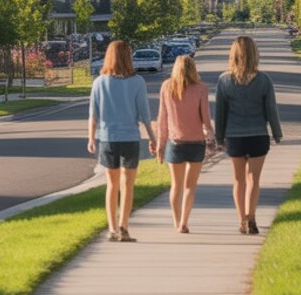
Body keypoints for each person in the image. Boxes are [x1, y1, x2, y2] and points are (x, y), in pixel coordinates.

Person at [88, 40, 155, 242]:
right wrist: (153, 138)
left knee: (112, 184)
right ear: (128, 57)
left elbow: (93, 113)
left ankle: (111, 228)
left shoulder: (99, 82)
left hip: (107, 138)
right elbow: (144, 114)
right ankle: (124, 227)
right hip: (130, 138)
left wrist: (91, 137)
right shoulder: (137, 82)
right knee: (128, 184)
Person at [216, 36, 283, 235]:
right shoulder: (264, 81)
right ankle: (252, 216)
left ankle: (242, 220)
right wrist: (276, 133)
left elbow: (221, 112)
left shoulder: (224, 80)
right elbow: (271, 110)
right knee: (254, 179)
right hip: (258, 135)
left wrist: (219, 137)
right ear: (255, 54)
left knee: (239, 181)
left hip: (234, 137)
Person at [156, 55, 215, 233]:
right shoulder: (201, 89)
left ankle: (176, 221)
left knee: (176, 185)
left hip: (175, 143)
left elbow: (162, 120)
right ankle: (184, 221)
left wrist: (160, 145)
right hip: (196, 143)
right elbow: (206, 119)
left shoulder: (167, 87)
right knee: (190, 186)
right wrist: (211, 139)